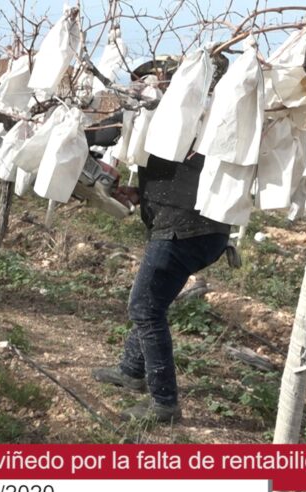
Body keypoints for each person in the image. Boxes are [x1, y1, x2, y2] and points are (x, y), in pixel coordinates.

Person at [91, 55, 231, 423]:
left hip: (184, 231)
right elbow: (179, 175)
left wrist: (78, 132)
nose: (149, 85)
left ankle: (164, 404)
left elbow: (104, 133)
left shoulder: (189, 112)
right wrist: (140, 193)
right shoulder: (189, 115)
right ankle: (131, 370)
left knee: (144, 308)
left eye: (158, 77)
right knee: (154, 301)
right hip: (196, 229)